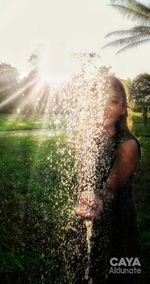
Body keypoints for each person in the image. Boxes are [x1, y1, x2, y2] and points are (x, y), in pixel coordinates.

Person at [66, 75, 141, 284]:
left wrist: (97, 202)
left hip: (115, 222)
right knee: (81, 271)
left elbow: (109, 191)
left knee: (116, 275)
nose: (105, 107)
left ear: (124, 107)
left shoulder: (127, 146)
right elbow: (84, 178)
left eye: (113, 101)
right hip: (85, 215)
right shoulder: (87, 138)